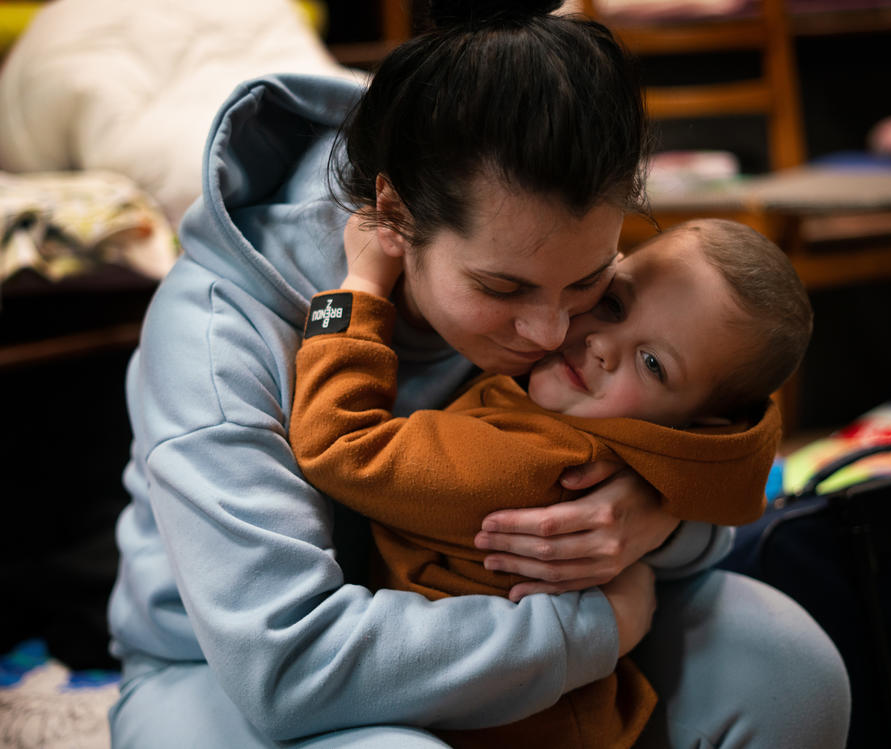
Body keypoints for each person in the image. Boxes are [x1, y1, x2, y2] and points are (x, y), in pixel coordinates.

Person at [107, 1, 851, 747]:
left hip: (491, 611)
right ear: (393, 214)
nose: (553, 332)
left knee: (788, 665)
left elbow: (718, 475)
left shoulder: (575, 304)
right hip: (229, 671)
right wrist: (595, 624)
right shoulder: (216, 332)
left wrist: (644, 517)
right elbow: (286, 666)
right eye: (503, 290)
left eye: (592, 281)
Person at [288, 217, 813, 749]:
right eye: (613, 304)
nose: (604, 345)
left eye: (652, 363)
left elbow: (342, 446)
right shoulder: (598, 430)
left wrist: (359, 291)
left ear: (702, 426)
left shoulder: (534, 463)